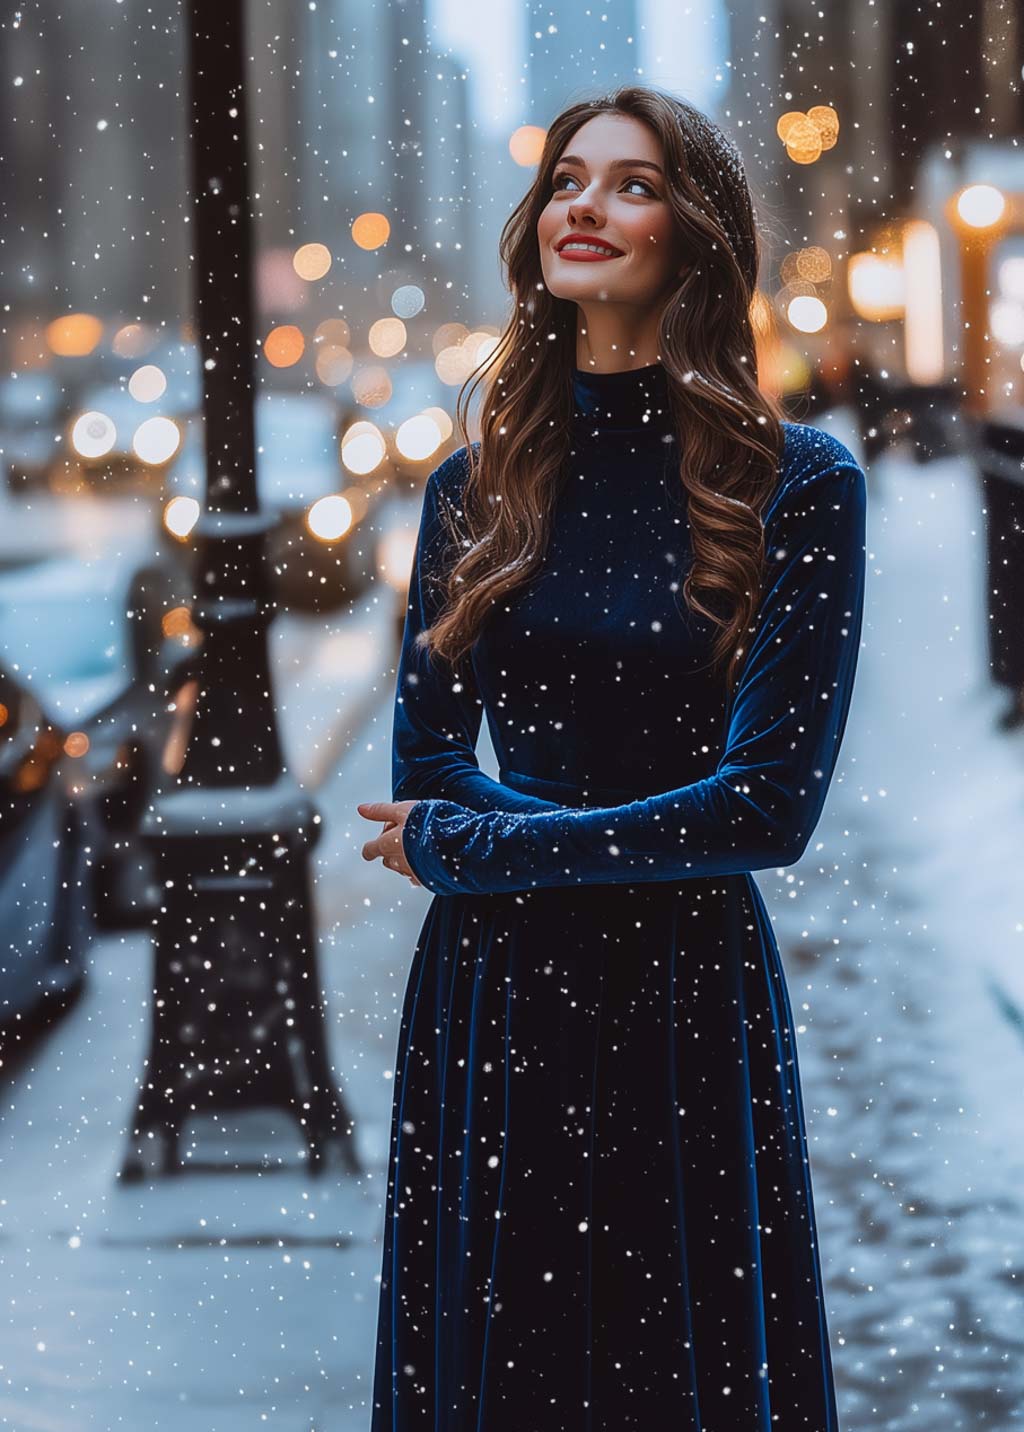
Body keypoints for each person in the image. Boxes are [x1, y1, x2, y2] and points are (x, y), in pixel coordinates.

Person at [358, 84, 865, 1432]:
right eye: (569, 179)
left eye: (633, 183)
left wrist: (488, 848)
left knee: (674, 1367)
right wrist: (489, 839)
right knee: (495, 1366)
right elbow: (425, 758)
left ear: (697, 233)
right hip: (496, 999)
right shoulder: (472, 489)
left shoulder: (796, 483)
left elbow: (765, 808)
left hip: (680, 993)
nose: (588, 204)